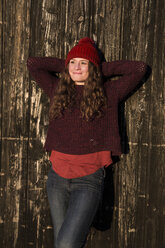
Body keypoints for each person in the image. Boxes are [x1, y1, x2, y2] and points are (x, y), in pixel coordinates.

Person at [27, 37, 148, 248]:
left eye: (84, 63)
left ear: (93, 67)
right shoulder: (57, 89)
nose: (77, 67)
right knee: (62, 243)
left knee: (66, 244)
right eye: (73, 62)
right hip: (57, 178)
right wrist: (68, 64)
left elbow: (139, 68)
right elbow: (33, 64)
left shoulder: (108, 92)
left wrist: (98, 68)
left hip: (88, 179)